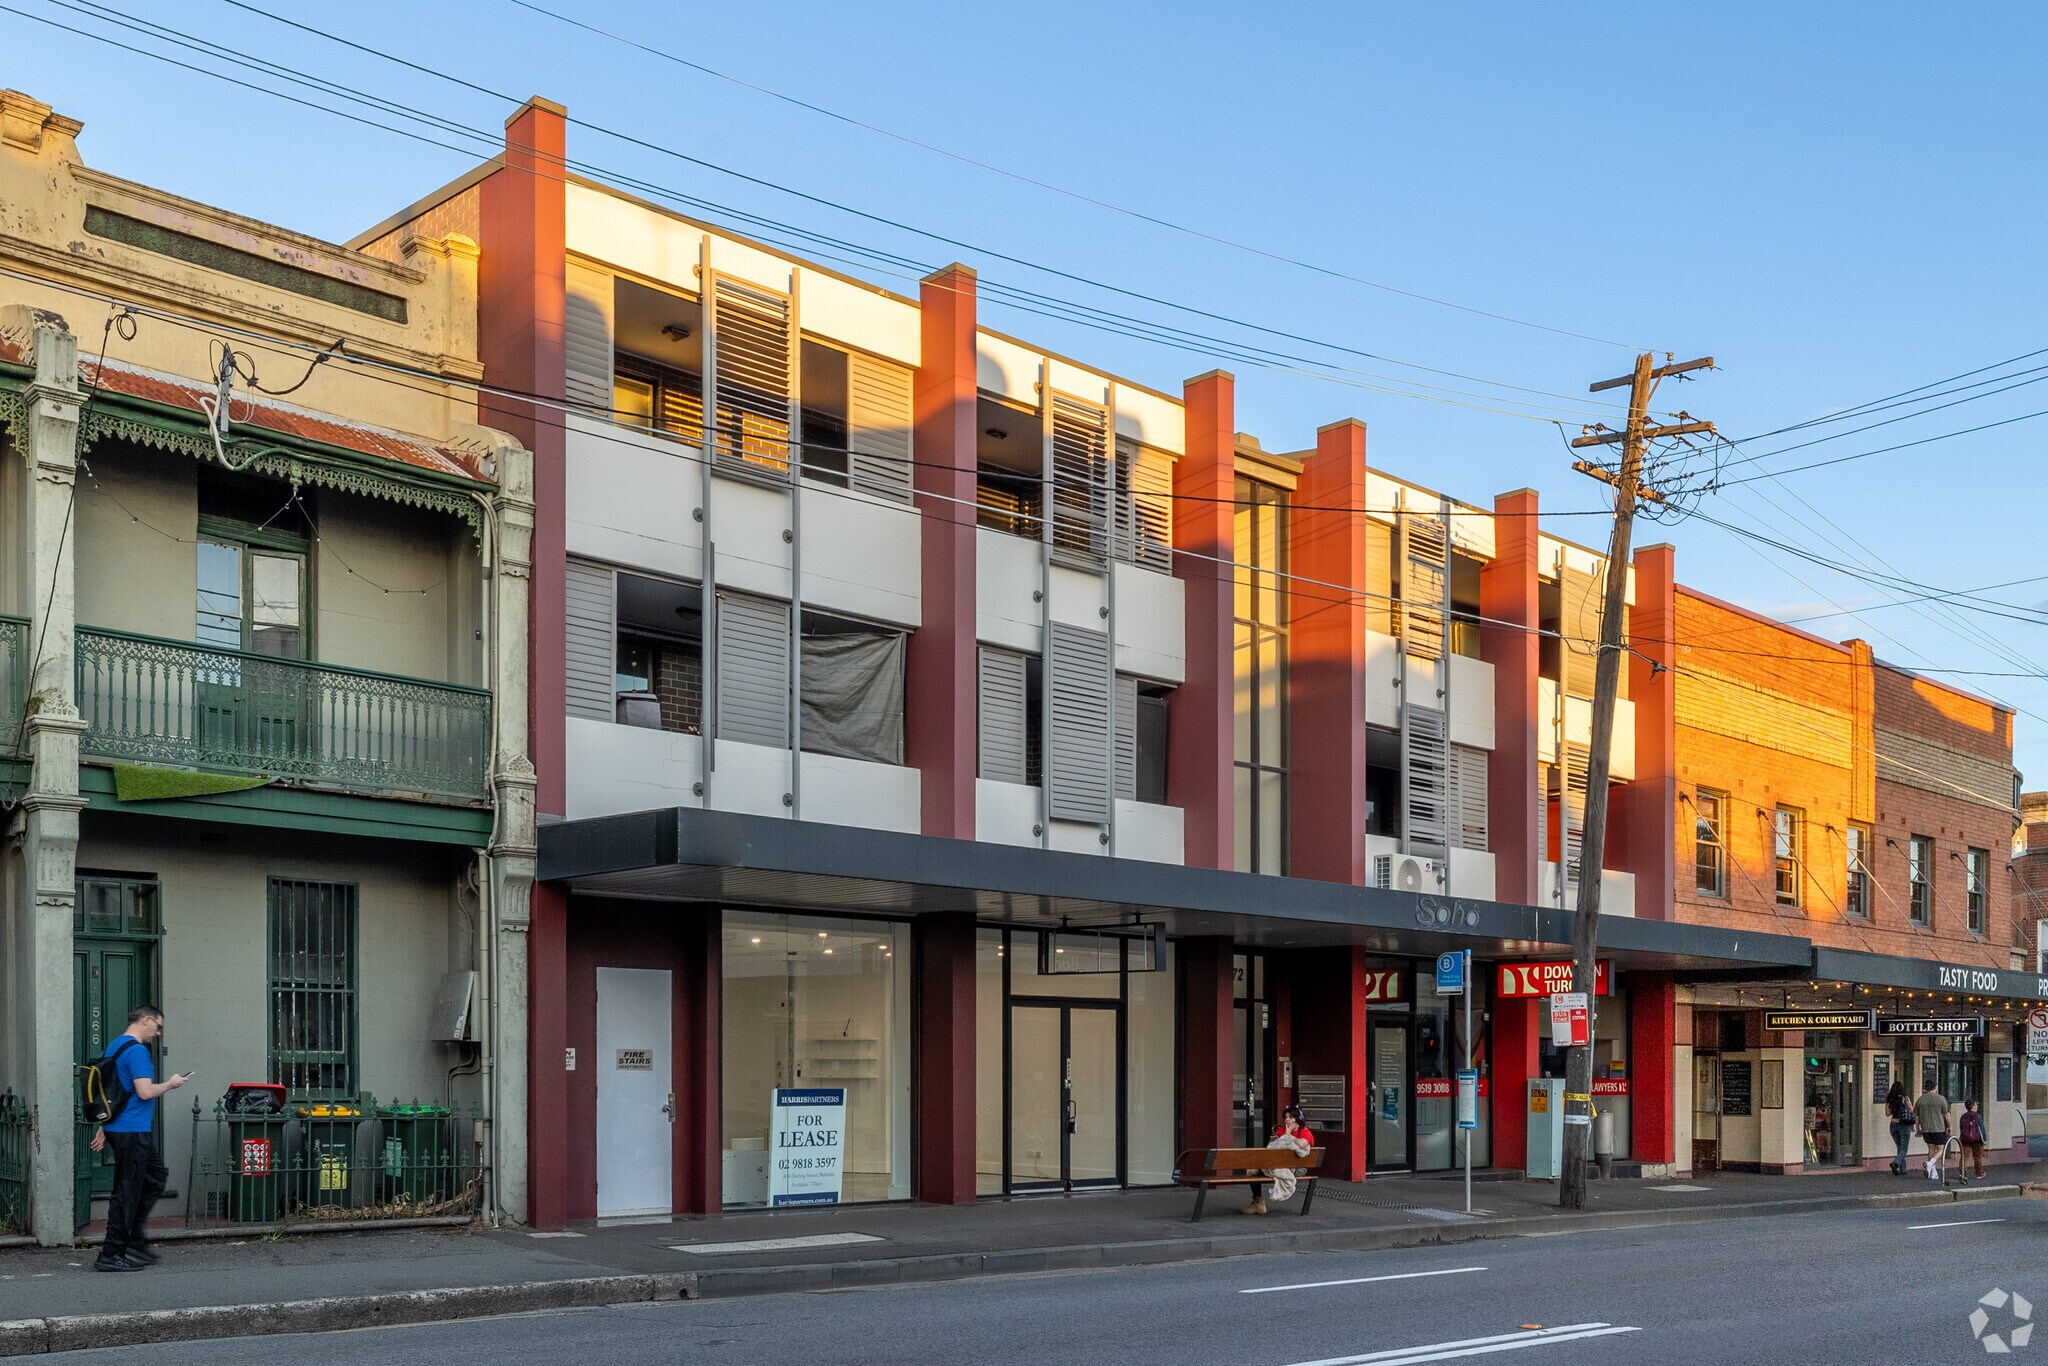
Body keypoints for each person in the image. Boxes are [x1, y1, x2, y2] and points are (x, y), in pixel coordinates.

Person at [90, 1006, 189, 1272]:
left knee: (154, 1176)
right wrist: (171, 1083)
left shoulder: (113, 1047)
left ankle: (133, 1239)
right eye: (158, 1027)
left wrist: (104, 1127)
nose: (157, 1033)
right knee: (126, 1192)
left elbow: (111, 1091)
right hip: (132, 1130)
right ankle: (111, 1254)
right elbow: (144, 1092)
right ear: (146, 1021)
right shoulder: (136, 1051)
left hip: (120, 1128)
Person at [1247, 1104, 1316, 1215]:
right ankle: (1258, 1202)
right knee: (1251, 1171)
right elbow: (1271, 1150)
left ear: (1298, 1119)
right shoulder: (1281, 1131)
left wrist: (1289, 1136)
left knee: (1287, 1165)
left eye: (1291, 1117)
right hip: (1278, 1164)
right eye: (1286, 1117)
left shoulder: (1305, 1132)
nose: (1287, 1120)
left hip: (1297, 1167)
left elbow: (1303, 1145)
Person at [1914, 1077, 1952, 1185]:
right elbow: (1946, 1114)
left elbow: (1917, 1116)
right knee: (1940, 1149)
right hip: (1938, 1128)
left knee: (1931, 1148)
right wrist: (1950, 1125)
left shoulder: (1920, 1100)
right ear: (1935, 1087)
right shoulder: (1940, 1099)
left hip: (1926, 1128)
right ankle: (1930, 1164)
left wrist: (1917, 1129)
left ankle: (1933, 1172)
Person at [1885, 1081, 1915, 1176]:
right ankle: (1896, 1163)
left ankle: (1902, 1170)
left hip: (1893, 1124)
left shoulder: (1889, 1099)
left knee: (1899, 1147)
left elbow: (1887, 1113)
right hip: (1903, 1125)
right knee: (1904, 1149)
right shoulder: (1905, 1098)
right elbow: (1912, 1109)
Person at [1958, 1099, 1987, 1183]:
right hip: (1977, 1140)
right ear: (1973, 1106)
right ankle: (1979, 1173)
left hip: (1965, 1139)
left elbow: (1962, 1128)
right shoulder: (1978, 1116)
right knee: (1977, 1156)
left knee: (1964, 1156)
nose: (1977, 1106)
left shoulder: (1963, 1116)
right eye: (1976, 1105)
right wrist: (1984, 1139)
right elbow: (1981, 1129)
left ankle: (1962, 1173)